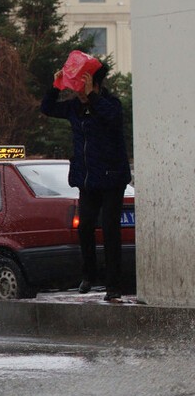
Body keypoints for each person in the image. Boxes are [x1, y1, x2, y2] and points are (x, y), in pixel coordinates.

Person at [40, 60, 132, 301]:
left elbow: (112, 117)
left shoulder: (110, 104)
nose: (77, 93)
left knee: (111, 231)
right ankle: (89, 274)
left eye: (82, 86)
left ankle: (113, 286)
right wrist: (56, 86)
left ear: (95, 84)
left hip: (112, 178)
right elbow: (47, 108)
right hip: (88, 180)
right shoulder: (73, 108)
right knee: (85, 228)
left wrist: (91, 95)